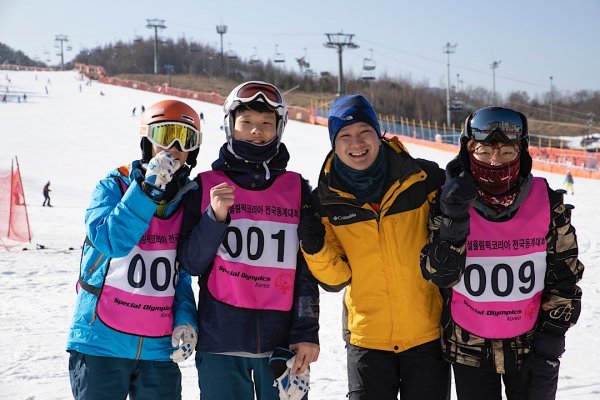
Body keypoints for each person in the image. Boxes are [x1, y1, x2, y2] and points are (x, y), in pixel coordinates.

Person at [420, 106, 584, 400]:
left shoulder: (546, 201)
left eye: (507, 153)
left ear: (521, 154)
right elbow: (439, 275)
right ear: (468, 152)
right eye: (484, 152)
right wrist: (453, 222)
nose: (495, 162)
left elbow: (565, 276)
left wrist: (550, 342)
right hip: (468, 348)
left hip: (530, 346)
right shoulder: (448, 201)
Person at [297, 94, 450, 400]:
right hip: (367, 341)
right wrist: (314, 248)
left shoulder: (423, 178)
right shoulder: (326, 199)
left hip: (426, 336)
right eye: (345, 136)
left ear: (378, 134)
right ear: (333, 142)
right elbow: (335, 279)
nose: (357, 143)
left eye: (365, 132)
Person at [179, 81, 320, 400]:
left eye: (266, 124)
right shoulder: (205, 187)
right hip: (221, 345)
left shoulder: (297, 190)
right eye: (247, 123)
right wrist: (214, 217)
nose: (256, 131)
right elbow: (190, 263)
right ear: (231, 126)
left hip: (282, 349)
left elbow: (306, 273)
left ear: (279, 128)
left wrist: (306, 331)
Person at [66, 99, 202, 400]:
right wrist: (146, 191)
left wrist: (186, 319)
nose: (175, 148)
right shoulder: (113, 186)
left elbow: (178, 275)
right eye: (166, 136)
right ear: (147, 140)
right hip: (102, 341)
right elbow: (110, 241)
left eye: (186, 140)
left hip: (158, 349)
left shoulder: (188, 199)